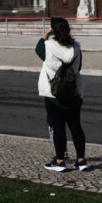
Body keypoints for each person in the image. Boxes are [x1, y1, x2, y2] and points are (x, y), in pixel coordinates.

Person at [37, 17, 88, 172]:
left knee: (58, 127)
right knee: (76, 126)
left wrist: (46, 33)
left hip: (54, 94)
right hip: (74, 92)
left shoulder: (47, 46)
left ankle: (60, 162)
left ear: (54, 30)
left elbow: (38, 47)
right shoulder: (76, 47)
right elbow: (78, 67)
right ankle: (81, 161)